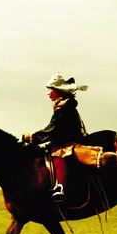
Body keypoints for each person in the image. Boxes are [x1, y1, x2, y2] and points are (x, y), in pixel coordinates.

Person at [23, 72, 88, 203]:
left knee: (58, 153)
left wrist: (33, 137)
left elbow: (53, 129)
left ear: (58, 91)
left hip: (69, 141)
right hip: (64, 139)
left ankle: (61, 187)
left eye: (50, 90)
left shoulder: (65, 107)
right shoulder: (62, 105)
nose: (48, 93)